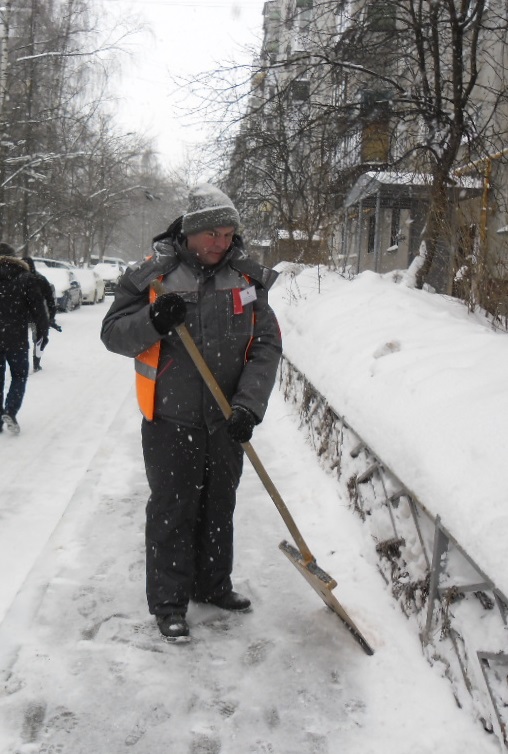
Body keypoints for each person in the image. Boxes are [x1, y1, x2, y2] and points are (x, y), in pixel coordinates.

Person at [101, 184, 282, 642]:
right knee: (172, 510)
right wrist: (153, 322)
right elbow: (114, 334)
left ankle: (213, 585)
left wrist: (248, 408)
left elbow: (265, 346)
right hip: (169, 419)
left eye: (228, 234)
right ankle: (169, 604)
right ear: (190, 232)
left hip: (226, 420)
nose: (221, 243)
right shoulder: (153, 277)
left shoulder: (245, 279)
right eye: (212, 235)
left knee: (219, 505)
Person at [0, 243, 49, 434]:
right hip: (16, 339)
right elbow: (39, 310)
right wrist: (43, 333)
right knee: (19, 376)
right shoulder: (26, 278)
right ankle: (11, 411)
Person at [22, 256, 61, 371]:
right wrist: (51, 316)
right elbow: (50, 300)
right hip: (36, 315)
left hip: (21, 315)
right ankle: (36, 361)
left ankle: (31, 361)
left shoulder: (16, 279)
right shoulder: (40, 279)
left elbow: (50, 300)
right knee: (40, 338)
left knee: (29, 339)